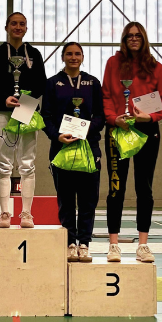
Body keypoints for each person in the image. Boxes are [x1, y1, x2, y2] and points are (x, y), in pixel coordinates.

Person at [102, 22, 162, 263]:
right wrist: (113, 119)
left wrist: (149, 117)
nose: (134, 39)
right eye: (129, 35)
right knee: (115, 187)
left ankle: (143, 245)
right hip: (118, 129)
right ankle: (113, 244)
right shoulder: (113, 64)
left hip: (146, 130)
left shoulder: (155, 67)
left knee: (144, 188)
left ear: (144, 38)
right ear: (124, 39)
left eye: (138, 35)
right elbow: (106, 96)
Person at [41, 42, 104, 262]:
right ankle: (69, 241)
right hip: (61, 147)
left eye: (77, 53)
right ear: (63, 57)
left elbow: (100, 116)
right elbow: (45, 117)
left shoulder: (93, 82)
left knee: (88, 199)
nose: (73, 57)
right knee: (66, 199)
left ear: (83, 56)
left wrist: (85, 131)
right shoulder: (52, 83)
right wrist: (56, 136)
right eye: (69, 53)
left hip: (89, 146)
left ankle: (84, 243)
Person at [0, 12, 47, 228]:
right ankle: (4, 214)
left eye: (22, 24)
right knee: (4, 165)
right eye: (14, 23)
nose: (17, 27)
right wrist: (4, 99)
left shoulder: (34, 54)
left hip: (26, 109)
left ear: (26, 28)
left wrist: (25, 100)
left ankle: (26, 213)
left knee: (28, 164)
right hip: (3, 112)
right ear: (6, 27)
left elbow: (42, 83)